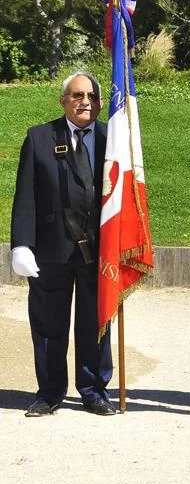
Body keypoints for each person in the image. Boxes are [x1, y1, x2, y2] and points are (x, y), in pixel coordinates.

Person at [10, 72, 114, 417]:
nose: (85, 101)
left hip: (100, 251)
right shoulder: (40, 138)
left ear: (99, 102)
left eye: (91, 96)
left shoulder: (113, 139)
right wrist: (21, 245)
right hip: (51, 249)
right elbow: (25, 195)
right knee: (49, 324)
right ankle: (50, 391)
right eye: (77, 95)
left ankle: (93, 388)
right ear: (63, 100)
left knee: (95, 323)